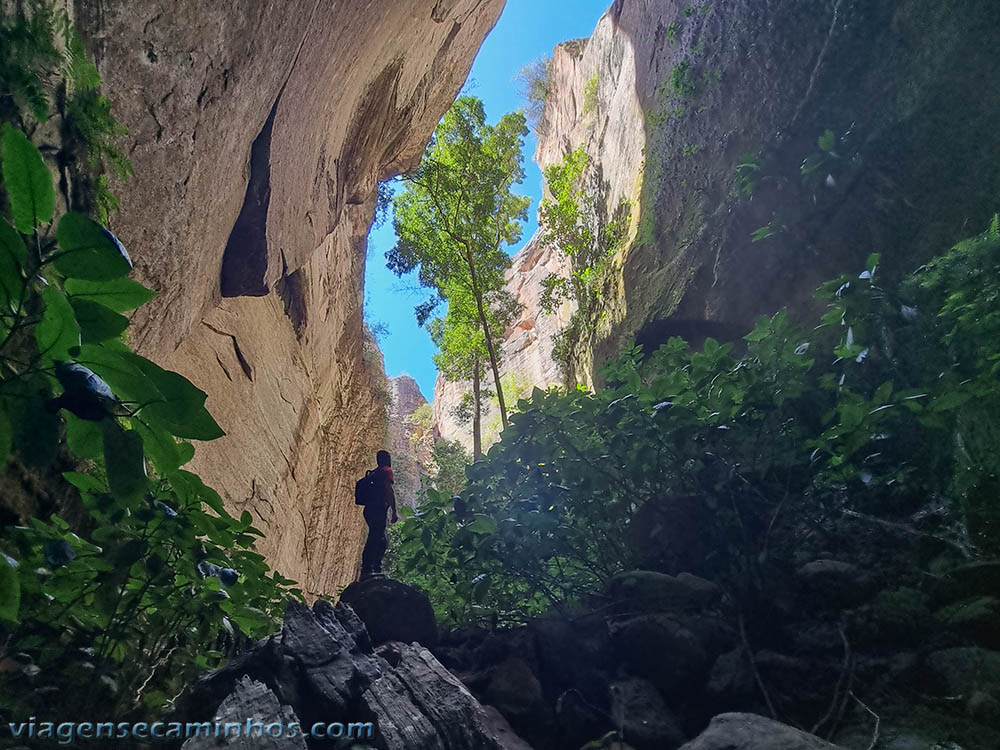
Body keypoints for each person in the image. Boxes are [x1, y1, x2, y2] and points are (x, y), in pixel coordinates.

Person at [360, 450, 398, 578]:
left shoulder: (374, 472)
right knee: (376, 539)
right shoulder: (386, 471)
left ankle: (373, 567)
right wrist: (394, 511)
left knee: (379, 539)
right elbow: (389, 490)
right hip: (378, 510)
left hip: (369, 509)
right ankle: (370, 569)